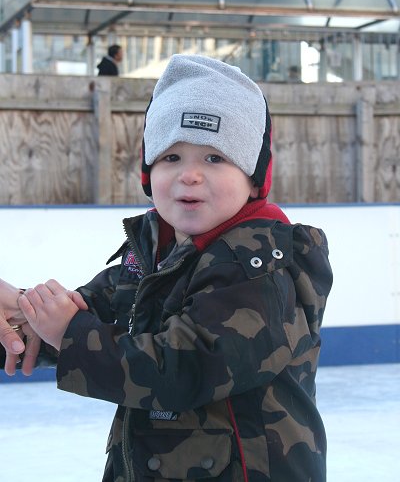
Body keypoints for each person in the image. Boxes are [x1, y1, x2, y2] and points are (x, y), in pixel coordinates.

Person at [0, 54, 333, 482]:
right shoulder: (156, 249)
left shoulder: (261, 267)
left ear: (253, 177)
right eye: (171, 157)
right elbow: (88, 313)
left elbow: (184, 368)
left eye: (214, 158)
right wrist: (21, 318)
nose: (189, 175)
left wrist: (67, 333)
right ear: (148, 170)